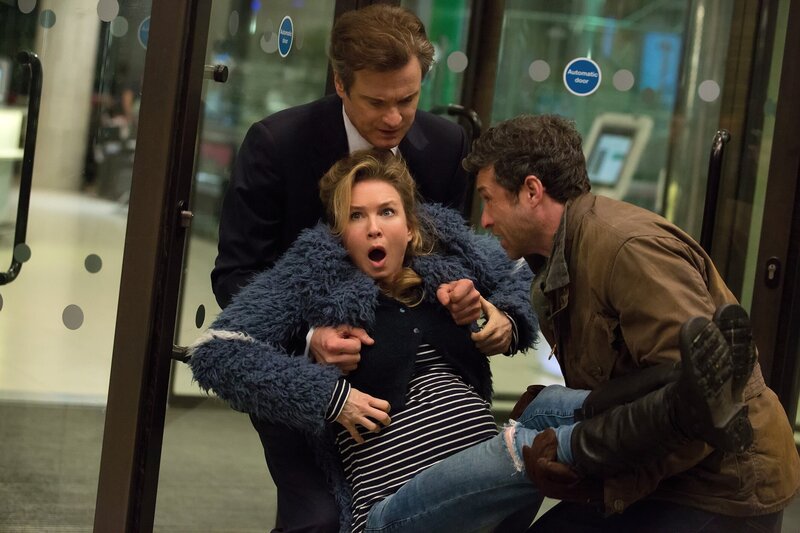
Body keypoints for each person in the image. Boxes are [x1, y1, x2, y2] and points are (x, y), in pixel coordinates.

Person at [189, 149, 762, 533]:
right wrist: (327, 395)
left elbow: (517, 282)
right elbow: (218, 350)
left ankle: (690, 390)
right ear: (340, 232)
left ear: (410, 225)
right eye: (356, 216)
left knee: (550, 405)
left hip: (488, 495)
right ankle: (683, 411)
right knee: (514, 447)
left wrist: (495, 314)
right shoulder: (314, 278)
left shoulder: (448, 264)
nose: (373, 226)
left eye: (386, 211)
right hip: (394, 511)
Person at [463, 114, 800, 531]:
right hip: (666, 473)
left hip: (721, 484)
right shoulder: (561, 257)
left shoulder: (627, 251)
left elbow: (702, 406)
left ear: (532, 191)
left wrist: (597, 473)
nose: (485, 219)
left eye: (489, 199)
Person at [211, 8, 471, 528]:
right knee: (319, 518)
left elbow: (453, 257)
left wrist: (477, 305)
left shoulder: (446, 146)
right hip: (298, 369)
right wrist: (311, 337)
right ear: (340, 83)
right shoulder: (276, 145)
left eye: (407, 99)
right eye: (377, 102)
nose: (394, 118)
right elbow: (237, 274)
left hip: (413, 370)